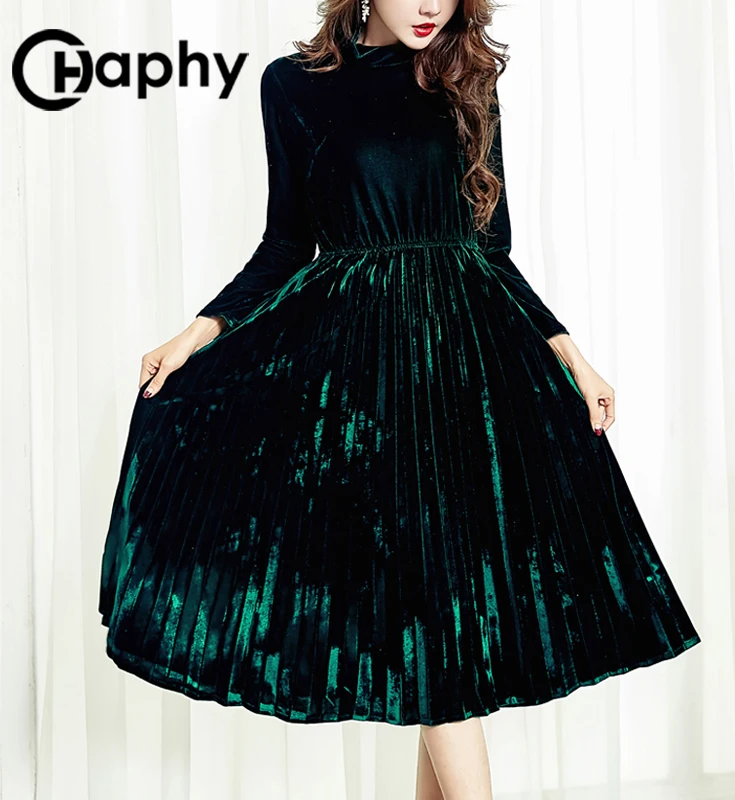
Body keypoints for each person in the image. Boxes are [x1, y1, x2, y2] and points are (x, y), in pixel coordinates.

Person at [98, 1, 701, 797]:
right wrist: (198, 333)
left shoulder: (469, 80)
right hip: (367, 390)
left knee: (440, 635)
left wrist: (573, 358)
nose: (428, 5)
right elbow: (287, 244)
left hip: (467, 382)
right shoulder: (293, 86)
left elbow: (492, 252)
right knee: (434, 629)